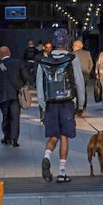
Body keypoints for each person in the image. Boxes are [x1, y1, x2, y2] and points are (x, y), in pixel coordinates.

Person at [38, 29, 84, 184]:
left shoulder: (44, 60)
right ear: (66, 42)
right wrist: (81, 103)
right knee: (64, 136)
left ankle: (46, 156)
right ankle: (62, 173)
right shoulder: (72, 59)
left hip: (51, 103)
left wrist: (43, 105)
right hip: (67, 103)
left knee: (53, 135)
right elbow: (79, 83)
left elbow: (40, 85)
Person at [0, 46, 30, 147]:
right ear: (9, 53)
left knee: (5, 117)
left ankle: (6, 137)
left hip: (3, 95)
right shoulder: (18, 63)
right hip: (16, 95)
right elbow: (26, 77)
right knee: (15, 117)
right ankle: (14, 139)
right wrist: (22, 86)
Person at [71, 39, 94, 116]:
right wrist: (88, 71)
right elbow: (91, 64)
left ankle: (77, 106)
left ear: (76, 46)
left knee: (75, 91)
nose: (72, 47)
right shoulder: (87, 53)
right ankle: (83, 106)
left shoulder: (72, 54)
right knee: (83, 90)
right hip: (85, 75)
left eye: (73, 45)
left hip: (75, 75)